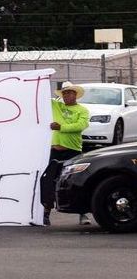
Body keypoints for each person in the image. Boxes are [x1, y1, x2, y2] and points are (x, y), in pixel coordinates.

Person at [43, 81, 90, 226]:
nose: (66, 95)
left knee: (76, 182)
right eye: (64, 93)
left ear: (75, 94)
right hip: (54, 150)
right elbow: (41, 97)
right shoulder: (56, 106)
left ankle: (82, 213)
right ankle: (46, 214)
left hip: (73, 150)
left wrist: (61, 127)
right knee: (49, 181)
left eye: (69, 92)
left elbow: (80, 126)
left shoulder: (82, 110)